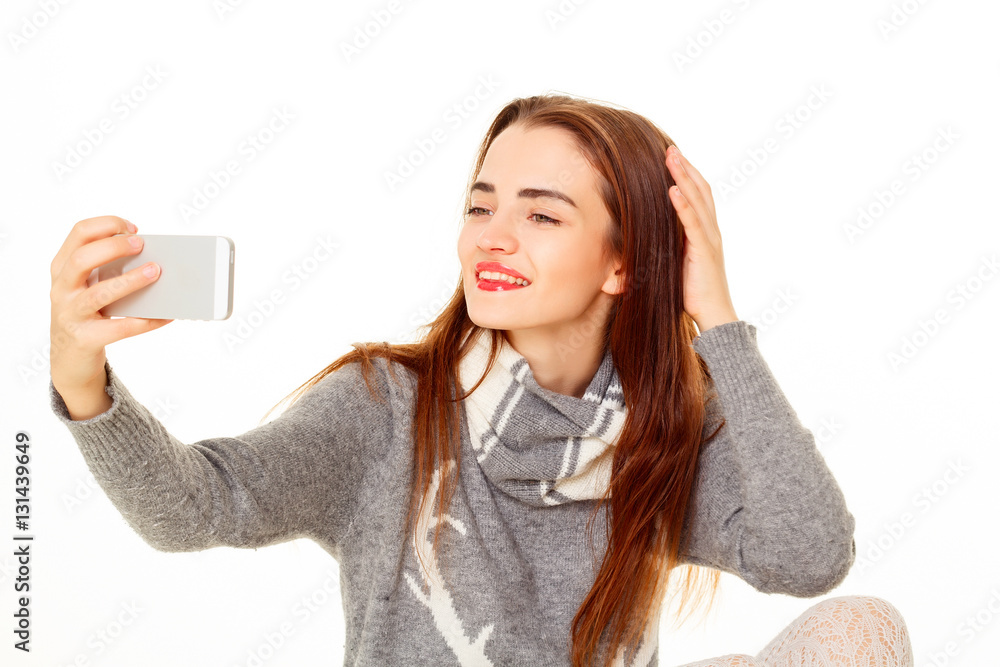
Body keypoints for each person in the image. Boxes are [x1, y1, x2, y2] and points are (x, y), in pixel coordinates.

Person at [48, 93, 913, 666]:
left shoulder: (667, 428)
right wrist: (81, 372)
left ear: (623, 262)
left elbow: (810, 556)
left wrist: (720, 322)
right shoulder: (386, 408)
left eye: (540, 213)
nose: (491, 236)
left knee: (861, 632)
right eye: (480, 203)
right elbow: (196, 507)